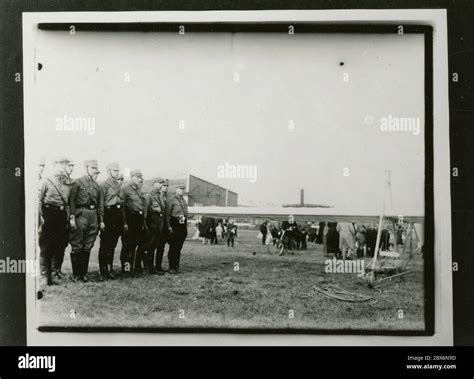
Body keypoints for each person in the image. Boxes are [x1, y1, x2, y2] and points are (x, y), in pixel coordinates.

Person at [37, 156, 70, 286]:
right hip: (48, 214)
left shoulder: (65, 183)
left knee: (58, 244)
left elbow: (66, 202)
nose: (63, 166)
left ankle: (52, 275)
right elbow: (39, 199)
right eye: (61, 164)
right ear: (55, 164)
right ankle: (45, 276)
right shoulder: (46, 180)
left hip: (61, 215)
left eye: (65, 164)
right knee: (46, 245)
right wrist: (41, 216)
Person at [69, 159, 102, 282]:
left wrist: (99, 219)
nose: (94, 171)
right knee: (77, 243)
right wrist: (72, 216)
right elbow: (71, 201)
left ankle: (84, 273)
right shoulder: (77, 183)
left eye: (95, 169)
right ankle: (76, 274)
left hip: (93, 215)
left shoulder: (96, 185)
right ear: (86, 168)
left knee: (88, 244)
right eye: (93, 168)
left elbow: (99, 203)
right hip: (80, 214)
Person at [97, 163, 125, 281]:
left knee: (112, 244)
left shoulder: (118, 186)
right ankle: (103, 271)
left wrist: (123, 221)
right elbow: (101, 205)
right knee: (105, 245)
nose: (116, 173)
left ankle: (110, 269)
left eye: (118, 171)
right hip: (108, 215)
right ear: (108, 171)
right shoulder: (104, 185)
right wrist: (101, 221)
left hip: (117, 215)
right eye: (114, 171)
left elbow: (121, 203)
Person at [121, 169, 146, 276]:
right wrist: (124, 222)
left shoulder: (139, 190)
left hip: (139, 220)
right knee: (128, 246)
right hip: (130, 219)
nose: (140, 179)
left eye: (141, 177)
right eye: (138, 177)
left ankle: (134, 268)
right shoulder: (125, 189)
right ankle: (126, 269)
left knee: (137, 244)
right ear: (132, 177)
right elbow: (122, 208)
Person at [144, 177, 166, 275]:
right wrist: (144, 224)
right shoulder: (149, 196)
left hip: (158, 223)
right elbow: (145, 211)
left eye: (161, 183)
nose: (161, 185)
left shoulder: (159, 195)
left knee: (154, 246)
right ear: (153, 184)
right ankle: (147, 268)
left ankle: (151, 268)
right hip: (151, 222)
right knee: (149, 246)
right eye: (159, 183)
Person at [165, 183, 188, 274]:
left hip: (182, 225)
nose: (181, 190)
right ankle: (171, 267)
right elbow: (167, 215)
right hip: (175, 224)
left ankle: (176, 266)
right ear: (176, 189)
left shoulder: (184, 201)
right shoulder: (171, 200)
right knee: (173, 247)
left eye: (183, 188)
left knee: (179, 247)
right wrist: (169, 227)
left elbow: (185, 213)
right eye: (180, 188)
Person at [154, 179, 169, 273]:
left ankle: (158, 266)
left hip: (163, 225)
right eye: (163, 186)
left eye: (167, 186)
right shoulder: (157, 196)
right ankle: (149, 266)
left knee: (161, 247)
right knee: (152, 246)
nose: (165, 188)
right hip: (156, 224)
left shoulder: (167, 197)